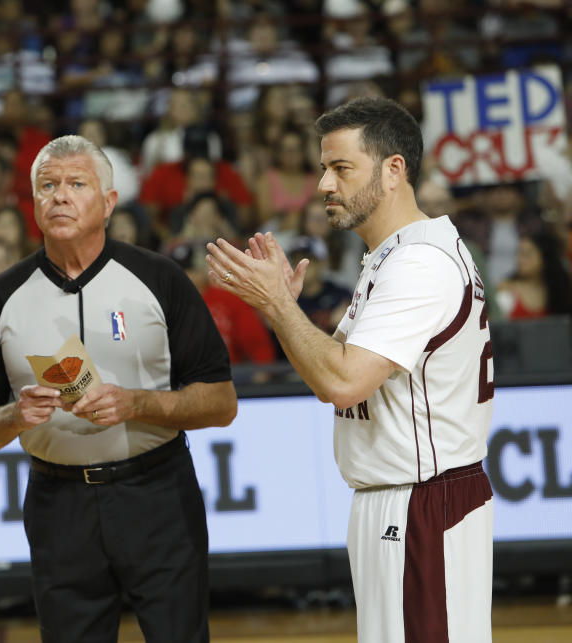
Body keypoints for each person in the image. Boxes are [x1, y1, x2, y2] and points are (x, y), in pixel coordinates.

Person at [206, 97, 494, 643]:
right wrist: (284, 311)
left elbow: (341, 381)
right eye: (322, 168)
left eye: (340, 168)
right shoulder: (397, 254)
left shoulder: (418, 265)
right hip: (406, 496)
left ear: (393, 170)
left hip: (421, 501)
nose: (322, 186)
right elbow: (331, 379)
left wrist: (277, 307)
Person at [0, 135, 237, 643]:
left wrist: (138, 403)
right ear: (33, 201)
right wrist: (14, 416)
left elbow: (221, 402)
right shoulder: (0, 298)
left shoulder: (160, 279)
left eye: (76, 184)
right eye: (47, 185)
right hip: (56, 501)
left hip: (157, 493)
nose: (59, 196)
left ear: (109, 203)